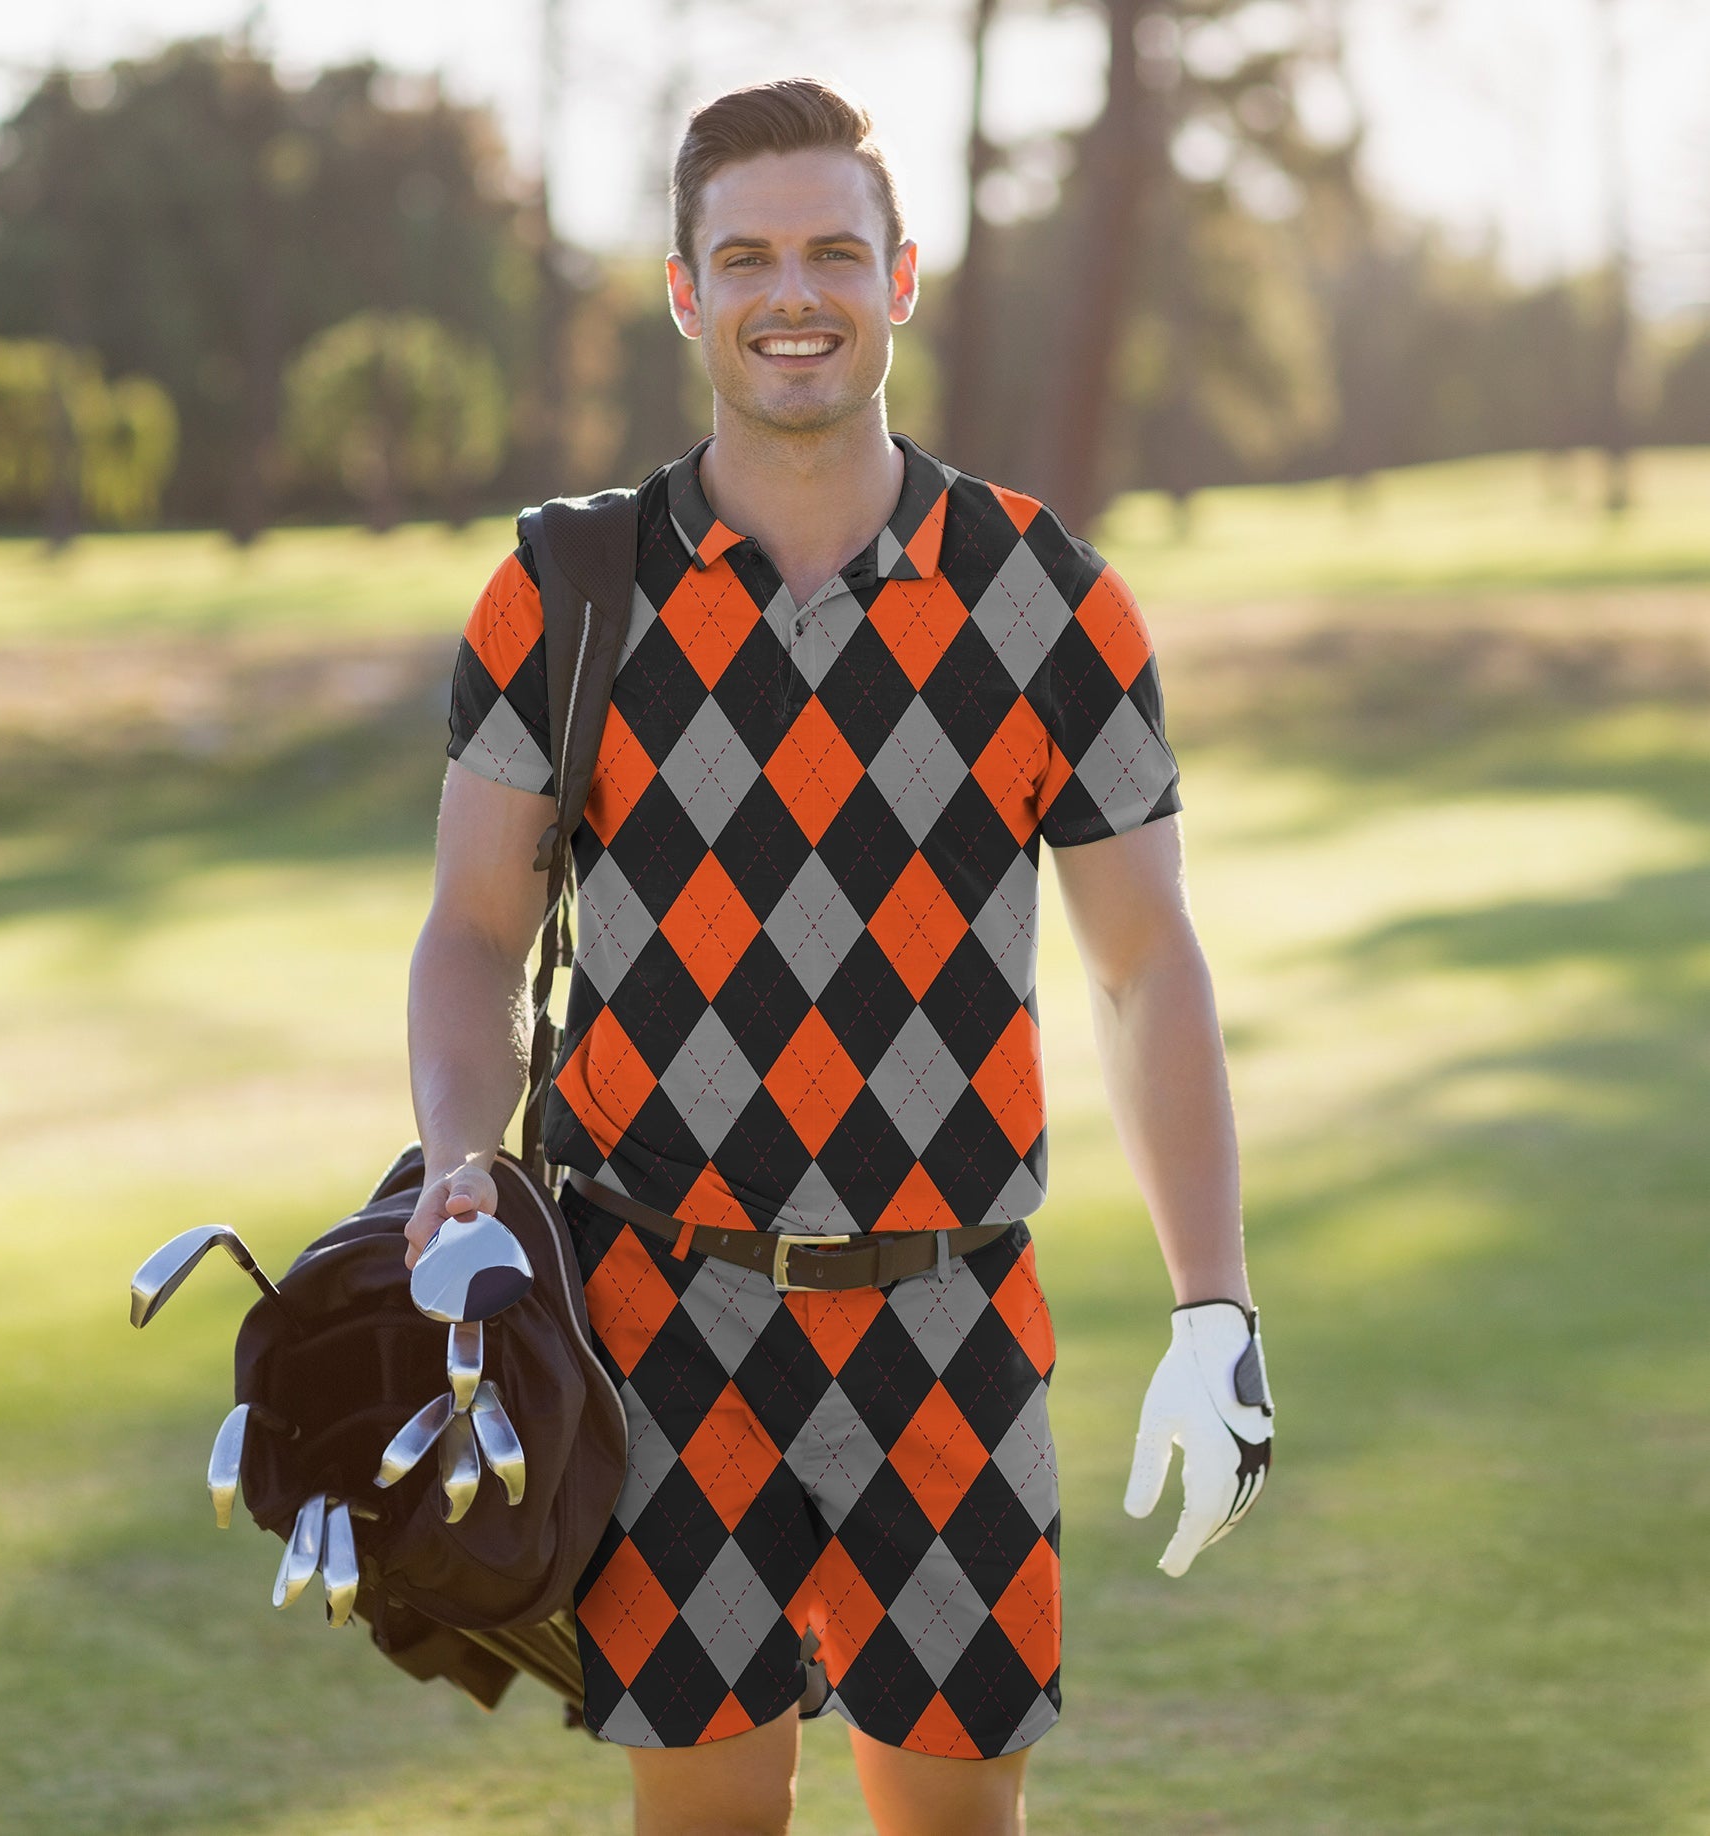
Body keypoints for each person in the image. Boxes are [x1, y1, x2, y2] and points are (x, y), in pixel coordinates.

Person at [405, 78, 1269, 1836]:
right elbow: (476, 929)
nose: (791, 291)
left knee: (958, 1820)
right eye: (747, 257)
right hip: (658, 1319)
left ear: (904, 277)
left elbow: (1144, 969)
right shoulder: (567, 591)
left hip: (956, 1314)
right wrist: (457, 1163)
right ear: (683, 291)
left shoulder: (1050, 595)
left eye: (831, 252)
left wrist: (1216, 1307)